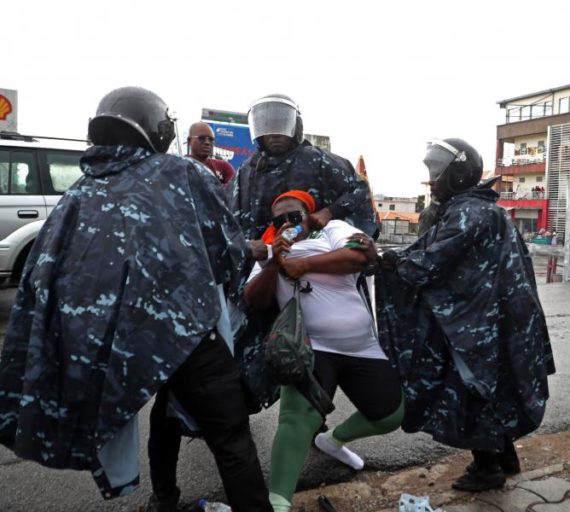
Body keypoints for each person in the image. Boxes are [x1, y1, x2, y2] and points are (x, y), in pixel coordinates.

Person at [0, 87, 273, 511]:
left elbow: (44, 279)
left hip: (115, 343)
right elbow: (223, 250)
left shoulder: (78, 194)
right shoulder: (183, 173)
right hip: (186, 332)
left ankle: (164, 499)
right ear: (158, 130)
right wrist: (252, 255)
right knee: (230, 435)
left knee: (165, 415)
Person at [373, 138, 555, 492]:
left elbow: (432, 261)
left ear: (458, 174)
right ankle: (505, 454)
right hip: (501, 319)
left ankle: (486, 468)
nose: (432, 182)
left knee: (473, 387)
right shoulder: (481, 208)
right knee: (494, 386)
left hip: (480, 325)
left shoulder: (468, 213)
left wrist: (384, 262)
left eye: (437, 174)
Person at [245, 190, 403, 512]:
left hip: (362, 345)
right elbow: (254, 299)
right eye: (279, 220)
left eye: (294, 216)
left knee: (390, 414)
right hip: (311, 347)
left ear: (310, 215)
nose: (288, 223)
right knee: (296, 421)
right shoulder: (270, 249)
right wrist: (274, 263)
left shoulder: (333, 230)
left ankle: (332, 440)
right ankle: (277, 505)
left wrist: (301, 264)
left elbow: (360, 256)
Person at [228, 93, 378, 264]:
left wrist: (330, 212)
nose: (275, 134)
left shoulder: (319, 160)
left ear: (295, 126)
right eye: (268, 126)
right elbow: (225, 220)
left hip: (312, 260)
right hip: (262, 264)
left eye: (281, 125)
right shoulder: (247, 171)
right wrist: (246, 246)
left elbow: (359, 190)